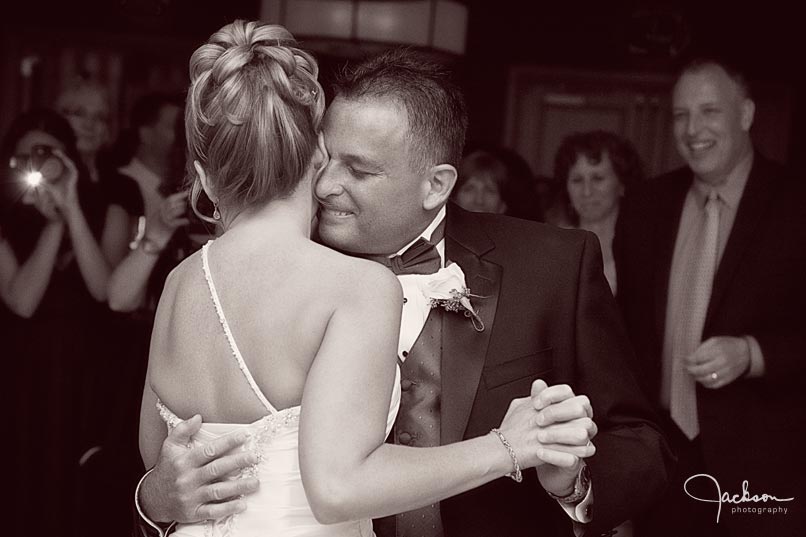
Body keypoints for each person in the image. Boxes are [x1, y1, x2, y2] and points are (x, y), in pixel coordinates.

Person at [136, 32, 672, 537]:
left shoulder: (553, 265)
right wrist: (155, 499)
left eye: (359, 170)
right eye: (324, 157)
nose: (326, 185)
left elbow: (641, 441)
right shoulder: (286, 271)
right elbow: (170, 451)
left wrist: (572, 476)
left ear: (435, 184)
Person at [614, 56, 806, 537]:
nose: (693, 129)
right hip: (663, 456)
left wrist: (754, 353)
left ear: (745, 114)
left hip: (766, 465)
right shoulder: (644, 206)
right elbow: (623, 331)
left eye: (709, 111)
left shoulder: (796, 203)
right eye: (681, 115)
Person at [0, 109, 129, 536]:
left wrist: (70, 204)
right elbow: (22, 300)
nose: (36, 164)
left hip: (86, 372)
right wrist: (52, 225)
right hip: (21, 370)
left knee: (79, 483)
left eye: (46, 153)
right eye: (24, 157)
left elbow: (103, 290)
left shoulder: (107, 206)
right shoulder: (3, 216)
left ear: (67, 156)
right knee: (21, 475)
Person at [554, 131, 643, 294]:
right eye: (577, 180)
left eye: (598, 178)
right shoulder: (551, 247)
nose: (587, 191)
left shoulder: (642, 251)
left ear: (622, 183)